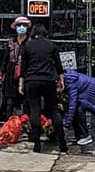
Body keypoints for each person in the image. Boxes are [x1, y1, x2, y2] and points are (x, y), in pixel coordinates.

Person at [18, 23, 67, 154]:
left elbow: (23, 67)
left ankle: (37, 143)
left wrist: (21, 83)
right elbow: (58, 64)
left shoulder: (27, 46)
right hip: (49, 80)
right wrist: (61, 79)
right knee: (54, 109)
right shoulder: (51, 45)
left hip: (32, 80)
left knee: (35, 110)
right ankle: (62, 142)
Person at [0, 16, 31, 120]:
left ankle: (25, 125)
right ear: (15, 27)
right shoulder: (11, 42)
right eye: (19, 25)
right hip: (11, 72)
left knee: (25, 100)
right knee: (9, 101)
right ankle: (9, 125)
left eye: (24, 25)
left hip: (25, 72)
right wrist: (0, 75)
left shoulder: (30, 42)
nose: (22, 27)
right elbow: (5, 60)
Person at [61, 67, 95, 147]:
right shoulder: (68, 78)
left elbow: (72, 105)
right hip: (89, 89)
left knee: (78, 110)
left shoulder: (71, 83)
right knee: (77, 109)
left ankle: (84, 135)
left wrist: (66, 125)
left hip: (93, 91)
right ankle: (80, 136)